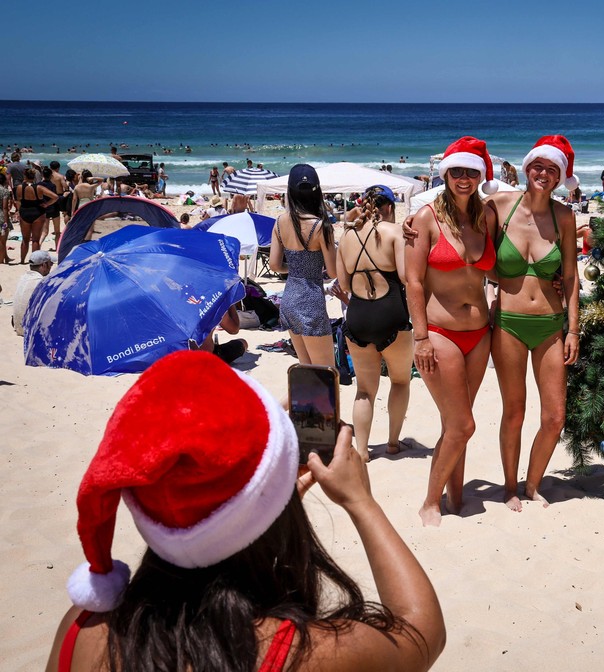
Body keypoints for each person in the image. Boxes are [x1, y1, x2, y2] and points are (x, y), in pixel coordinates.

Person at [44, 350, 445, 672]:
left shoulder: (83, 630)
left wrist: (258, 504)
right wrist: (360, 502)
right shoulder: (306, 653)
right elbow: (420, 633)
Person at [405, 136, 499, 527]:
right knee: (463, 425)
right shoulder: (425, 219)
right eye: (456, 171)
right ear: (445, 175)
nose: (463, 178)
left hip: (480, 334)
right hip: (439, 333)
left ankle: (456, 497)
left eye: (471, 172)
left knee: (455, 423)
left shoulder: (487, 216)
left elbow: (528, 202)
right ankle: (430, 502)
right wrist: (420, 337)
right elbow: (413, 281)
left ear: (481, 175)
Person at [489, 135, 580, 510]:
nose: (543, 173)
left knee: (555, 416)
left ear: (560, 177)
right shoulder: (499, 206)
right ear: (527, 169)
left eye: (552, 169)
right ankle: (510, 487)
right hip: (508, 323)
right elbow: (458, 225)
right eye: (538, 166)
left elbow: (571, 276)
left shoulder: (564, 217)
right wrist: (413, 223)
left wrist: (573, 329)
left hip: (550, 326)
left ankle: (533, 483)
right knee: (514, 412)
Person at [336, 185, 414, 462]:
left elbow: (343, 284)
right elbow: (405, 277)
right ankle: (392, 444)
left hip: (358, 316)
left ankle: (362, 450)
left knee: (364, 390)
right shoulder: (395, 233)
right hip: (391, 313)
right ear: (390, 207)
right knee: (400, 381)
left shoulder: (347, 236)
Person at [270, 164, 339, 369]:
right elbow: (333, 272)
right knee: (326, 371)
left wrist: (296, 269)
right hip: (311, 300)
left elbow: (275, 265)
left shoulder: (280, 222)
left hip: (290, 297)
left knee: (306, 368)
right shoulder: (321, 226)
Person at [13, 167, 59, 263]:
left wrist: (19, 211)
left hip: (24, 212)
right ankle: (34, 260)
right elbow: (55, 197)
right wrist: (47, 204)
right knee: (35, 240)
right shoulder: (39, 187)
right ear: (34, 177)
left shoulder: (19, 188)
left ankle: (22, 260)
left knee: (25, 239)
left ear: (25, 176)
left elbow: (18, 201)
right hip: (38, 213)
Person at [12, 250, 53, 335]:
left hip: (17, 326)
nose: (51, 267)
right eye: (50, 264)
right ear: (44, 265)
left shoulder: (22, 278)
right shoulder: (41, 282)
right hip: (30, 330)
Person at [0, 173, 12, 264]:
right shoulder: (4, 191)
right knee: (2, 240)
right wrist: (6, 221)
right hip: (1, 215)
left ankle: (6, 257)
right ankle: (1, 260)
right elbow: (4, 207)